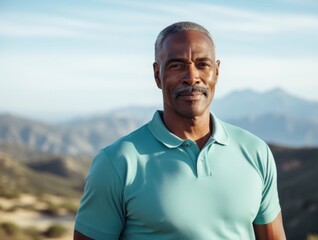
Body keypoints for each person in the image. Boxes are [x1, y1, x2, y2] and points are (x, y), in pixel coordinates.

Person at [74, 21, 286, 240]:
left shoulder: (256, 151)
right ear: (157, 74)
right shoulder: (117, 162)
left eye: (203, 64)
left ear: (217, 72)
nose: (192, 77)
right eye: (177, 65)